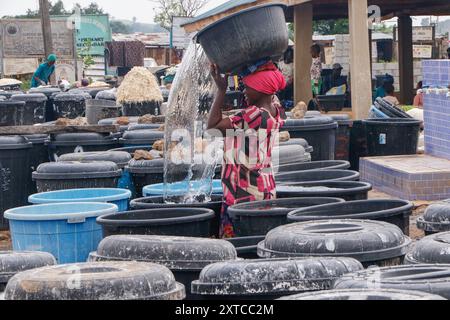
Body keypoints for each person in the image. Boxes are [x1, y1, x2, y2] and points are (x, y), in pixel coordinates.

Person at [208, 62, 286, 238]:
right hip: (265, 190)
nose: (243, 91)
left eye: (247, 87)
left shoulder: (254, 115)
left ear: (261, 89)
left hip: (242, 194)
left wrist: (221, 90)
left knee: (238, 248)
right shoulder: (276, 109)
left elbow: (212, 126)